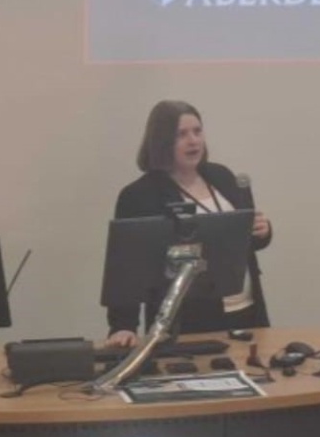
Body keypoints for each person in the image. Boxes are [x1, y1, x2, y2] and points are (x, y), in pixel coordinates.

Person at [105, 100, 273, 347]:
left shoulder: (222, 177)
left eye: (197, 131)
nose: (193, 141)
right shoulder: (140, 195)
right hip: (187, 319)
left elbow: (240, 242)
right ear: (161, 141)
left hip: (247, 311)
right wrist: (122, 326)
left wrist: (263, 232)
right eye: (181, 134)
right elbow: (128, 265)